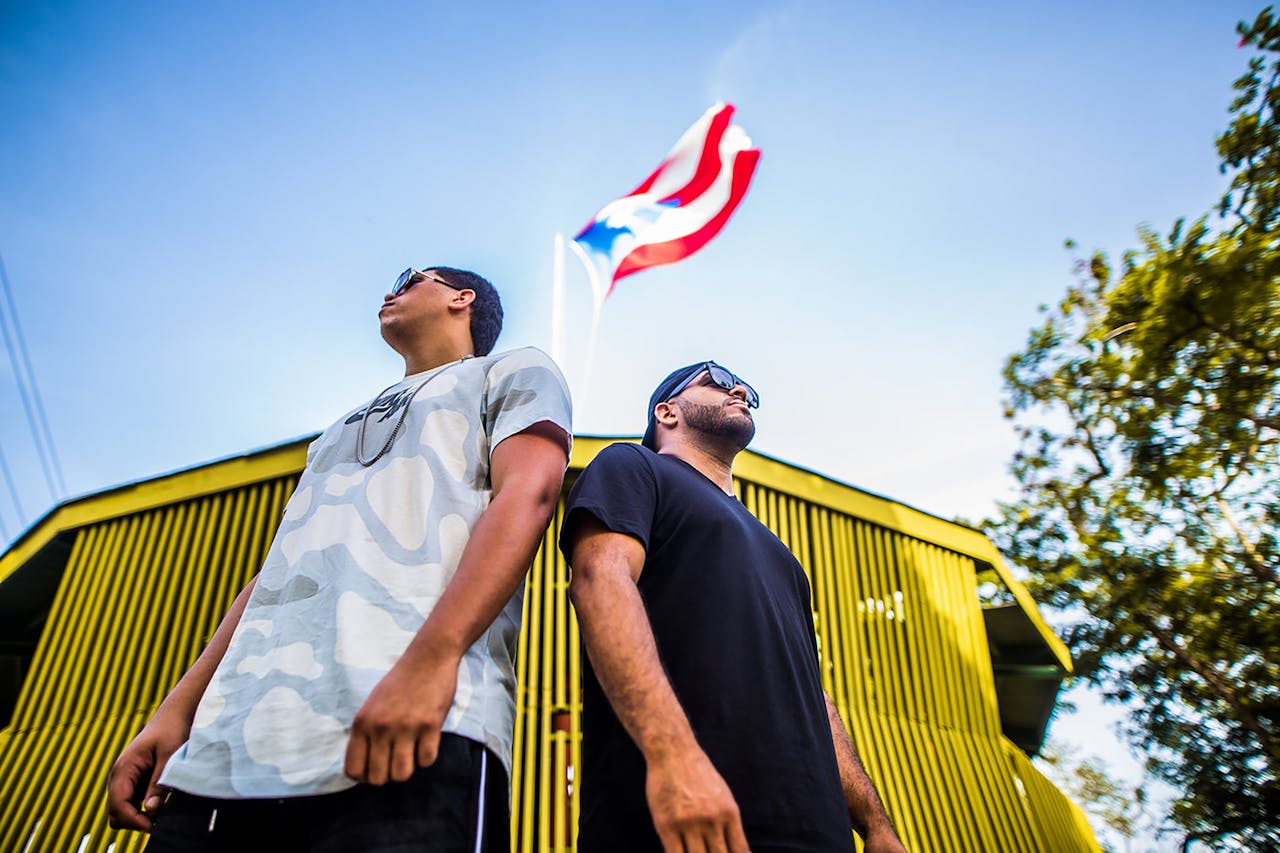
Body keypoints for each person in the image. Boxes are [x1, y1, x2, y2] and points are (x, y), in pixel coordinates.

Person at [106, 265, 573, 852]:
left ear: (462, 298)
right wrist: (176, 711)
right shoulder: (333, 433)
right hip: (227, 754)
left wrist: (430, 662)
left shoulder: (511, 370)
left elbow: (527, 496)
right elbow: (274, 575)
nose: (391, 289)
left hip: (416, 723)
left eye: (412, 278)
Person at [559, 361, 907, 853]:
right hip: (682, 820)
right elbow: (600, 581)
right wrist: (673, 759)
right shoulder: (633, 467)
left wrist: (875, 825)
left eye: (742, 385)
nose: (738, 387)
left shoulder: (782, 556)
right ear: (667, 412)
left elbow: (812, 694)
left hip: (817, 834)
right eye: (716, 380)